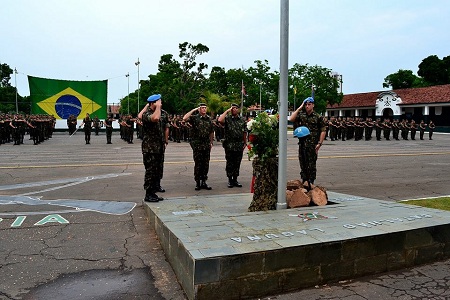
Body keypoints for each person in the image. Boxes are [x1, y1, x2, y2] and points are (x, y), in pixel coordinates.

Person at [288, 97, 326, 185]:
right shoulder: (302, 115)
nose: (307, 106)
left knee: (311, 164)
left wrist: (320, 143)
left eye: (309, 104)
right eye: (306, 104)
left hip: (312, 144)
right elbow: (291, 119)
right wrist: (299, 107)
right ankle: (304, 180)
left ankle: (311, 182)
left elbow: (323, 130)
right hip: (302, 143)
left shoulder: (318, 117)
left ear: (313, 105)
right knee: (303, 163)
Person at [138, 94, 167, 202]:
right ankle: (148, 194)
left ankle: (153, 193)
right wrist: (157, 107)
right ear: (152, 103)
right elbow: (155, 118)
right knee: (150, 171)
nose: (160, 103)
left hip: (158, 147)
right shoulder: (148, 114)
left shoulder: (157, 113)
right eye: (158, 102)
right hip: (150, 148)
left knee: (156, 171)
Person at [183, 101, 214, 190]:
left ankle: (204, 181)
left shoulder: (208, 119)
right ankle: (197, 182)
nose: (204, 109)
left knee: (206, 164)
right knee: (198, 164)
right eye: (202, 108)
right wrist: (194, 110)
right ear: (199, 109)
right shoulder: (194, 118)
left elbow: (211, 131)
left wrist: (211, 142)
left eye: (205, 107)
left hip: (206, 144)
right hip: (197, 144)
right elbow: (185, 118)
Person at [218, 103, 247, 188]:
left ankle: (235, 179)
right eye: (233, 108)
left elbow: (244, 132)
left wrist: (245, 142)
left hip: (239, 144)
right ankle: (230, 180)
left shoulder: (242, 120)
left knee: (237, 162)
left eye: (236, 108)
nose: (234, 109)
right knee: (230, 162)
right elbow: (220, 120)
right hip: (229, 144)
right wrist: (227, 111)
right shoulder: (228, 119)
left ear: (238, 110)